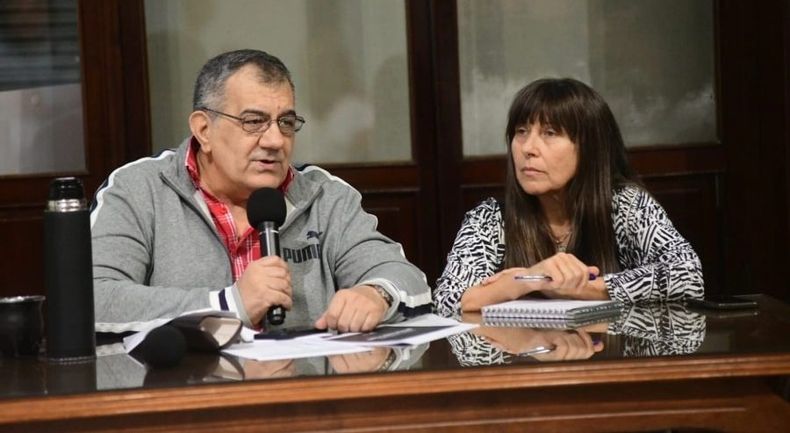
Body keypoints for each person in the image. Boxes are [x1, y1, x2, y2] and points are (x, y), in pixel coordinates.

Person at [91, 49, 431, 332]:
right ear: (204, 130)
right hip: (185, 389)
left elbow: (406, 277)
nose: (275, 141)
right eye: (253, 122)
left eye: (286, 123)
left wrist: (376, 295)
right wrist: (227, 304)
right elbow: (93, 299)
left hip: (301, 386)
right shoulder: (138, 190)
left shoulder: (324, 196)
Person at [435, 78, 703, 316]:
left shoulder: (626, 205)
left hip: (607, 353)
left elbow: (687, 275)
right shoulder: (490, 217)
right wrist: (529, 278)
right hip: (522, 355)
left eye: (550, 133)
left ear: (589, 147)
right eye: (521, 131)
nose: (528, 148)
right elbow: (448, 299)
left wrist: (583, 288)